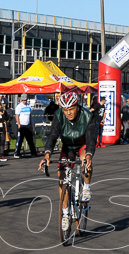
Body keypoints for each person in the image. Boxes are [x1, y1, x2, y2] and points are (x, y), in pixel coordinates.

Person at [37, 92, 97, 230]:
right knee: (61, 178)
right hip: (68, 146)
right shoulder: (59, 115)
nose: (68, 113)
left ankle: (86, 188)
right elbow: (52, 135)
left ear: (77, 106)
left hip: (82, 144)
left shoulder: (88, 116)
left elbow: (91, 140)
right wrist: (47, 155)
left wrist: (88, 156)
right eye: (65, 110)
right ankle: (65, 214)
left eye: (71, 109)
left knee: (84, 159)